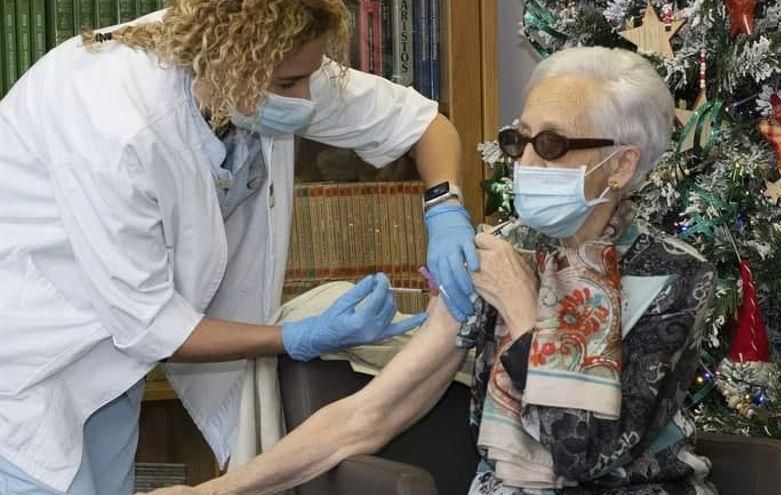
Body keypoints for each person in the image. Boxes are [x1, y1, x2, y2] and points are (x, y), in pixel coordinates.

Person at [139, 46, 718, 495]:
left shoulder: (673, 275)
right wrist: (215, 490)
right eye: (518, 140)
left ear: (620, 166)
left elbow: (583, 454)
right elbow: (373, 412)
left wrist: (523, 313)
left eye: (551, 143)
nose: (525, 162)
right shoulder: (503, 252)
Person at [0, 1, 479, 493]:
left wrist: (444, 208)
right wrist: (296, 336)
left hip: (112, 366)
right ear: (229, 67)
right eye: (289, 84)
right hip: (27, 361)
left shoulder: (273, 66)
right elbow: (151, 326)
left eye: (309, 76)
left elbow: (422, 125)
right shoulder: (118, 125)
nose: (306, 99)